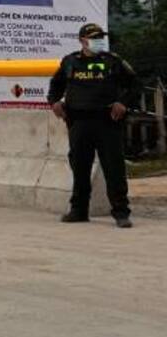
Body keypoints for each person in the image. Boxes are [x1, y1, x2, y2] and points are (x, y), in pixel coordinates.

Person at [47, 23, 140, 228]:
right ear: (82, 41)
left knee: (114, 169)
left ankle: (121, 213)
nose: (98, 41)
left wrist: (123, 103)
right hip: (79, 122)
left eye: (100, 37)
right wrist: (54, 102)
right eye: (93, 37)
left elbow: (134, 85)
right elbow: (56, 84)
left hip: (107, 122)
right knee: (80, 168)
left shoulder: (112, 61)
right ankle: (79, 210)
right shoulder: (70, 62)